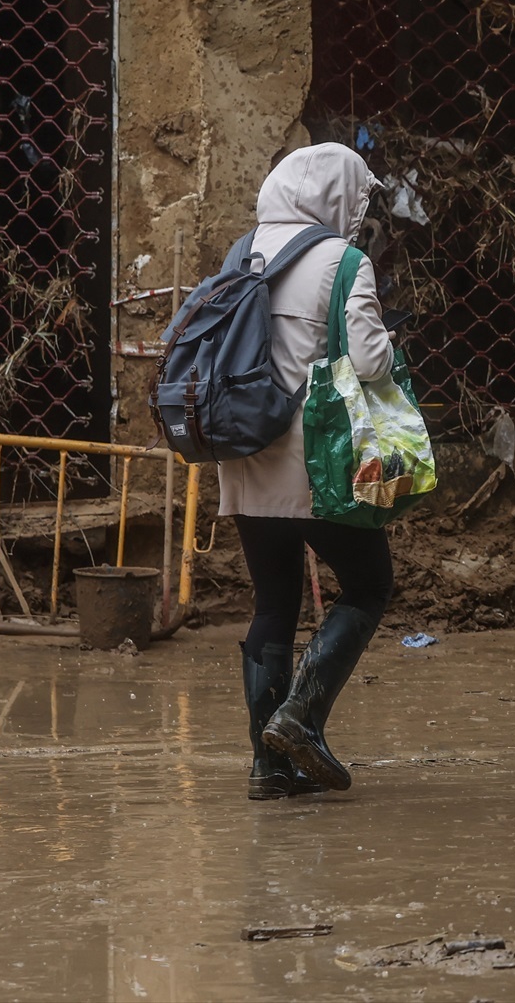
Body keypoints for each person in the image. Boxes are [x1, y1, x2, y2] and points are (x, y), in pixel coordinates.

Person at [221, 142, 397, 800]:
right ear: (336, 196)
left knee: (273, 601)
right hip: (313, 460)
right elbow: (372, 363)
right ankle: (302, 717)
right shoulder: (345, 262)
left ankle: (269, 767)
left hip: (242, 454)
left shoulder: (242, 253)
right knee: (370, 582)